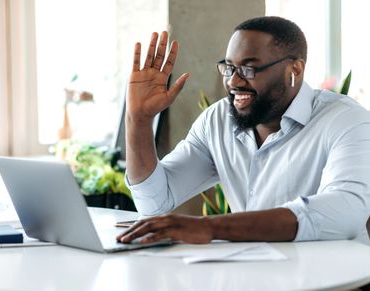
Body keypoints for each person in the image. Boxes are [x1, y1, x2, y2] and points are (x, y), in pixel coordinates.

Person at [117, 16, 370, 245]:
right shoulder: (217, 119)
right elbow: (154, 202)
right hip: (252, 275)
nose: (234, 82)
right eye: (229, 68)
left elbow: (346, 211)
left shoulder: (346, 120)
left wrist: (210, 227)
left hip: (335, 280)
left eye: (249, 69)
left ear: (295, 69)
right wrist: (138, 120)